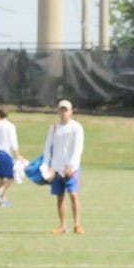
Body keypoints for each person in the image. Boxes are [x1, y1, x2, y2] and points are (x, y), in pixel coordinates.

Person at [42, 99, 85, 234]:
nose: (64, 112)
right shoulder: (54, 128)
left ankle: (77, 224)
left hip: (71, 168)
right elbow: (48, 148)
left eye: (66, 110)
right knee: (59, 197)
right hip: (56, 168)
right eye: (62, 109)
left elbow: (78, 148)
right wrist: (47, 166)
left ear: (71, 111)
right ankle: (62, 225)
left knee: (73, 194)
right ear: (58, 111)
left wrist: (71, 166)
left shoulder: (76, 127)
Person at [0, 109, 24, 207]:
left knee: (1, 177)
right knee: (12, 177)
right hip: (5, 153)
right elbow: (13, 141)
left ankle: (2, 200)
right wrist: (17, 155)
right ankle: (0, 192)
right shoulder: (10, 126)